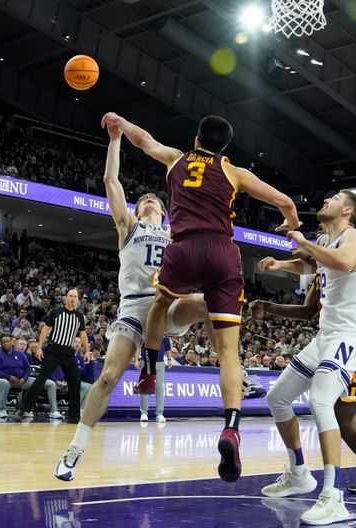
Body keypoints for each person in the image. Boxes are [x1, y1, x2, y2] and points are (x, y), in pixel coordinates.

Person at [98, 112, 300, 484]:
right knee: (228, 352)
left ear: (196, 140)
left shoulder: (178, 158)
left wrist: (123, 126)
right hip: (223, 253)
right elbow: (284, 201)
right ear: (224, 145)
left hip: (185, 248)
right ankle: (231, 427)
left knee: (160, 303)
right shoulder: (234, 172)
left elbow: (144, 141)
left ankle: (149, 370)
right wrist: (291, 222)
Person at [55, 120, 214, 481]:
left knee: (210, 302)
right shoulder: (129, 226)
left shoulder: (175, 233)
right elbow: (111, 182)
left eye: (153, 197)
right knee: (109, 377)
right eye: (142, 197)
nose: (147, 198)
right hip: (133, 308)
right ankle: (76, 448)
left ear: (162, 209)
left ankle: (236, 377)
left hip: (169, 304)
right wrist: (115, 140)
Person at [256, 191, 356, 524]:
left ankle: (333, 496)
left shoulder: (353, 237)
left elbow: (342, 261)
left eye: (335, 197)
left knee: (323, 402)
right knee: (277, 397)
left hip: (353, 337)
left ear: (347, 210)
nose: (326, 199)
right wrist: (280, 263)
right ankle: (299, 473)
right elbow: (310, 269)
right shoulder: (325, 240)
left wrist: (300, 239)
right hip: (326, 337)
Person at [250, 270, 356, 498]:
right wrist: (269, 303)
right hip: (327, 340)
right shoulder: (319, 265)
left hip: (355, 343)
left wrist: (292, 254)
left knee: (339, 416)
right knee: (321, 409)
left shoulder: (341, 250)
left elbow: (324, 256)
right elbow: (308, 310)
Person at [15, 289, 89, 422]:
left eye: (75, 297)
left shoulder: (79, 316)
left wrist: (87, 350)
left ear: (77, 300)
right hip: (53, 350)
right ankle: (22, 410)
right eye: (70, 296)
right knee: (40, 380)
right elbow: (45, 329)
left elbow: (83, 334)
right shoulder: (56, 312)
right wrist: (39, 347)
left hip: (68, 352)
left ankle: (74, 416)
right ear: (66, 298)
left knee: (75, 382)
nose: (72, 298)